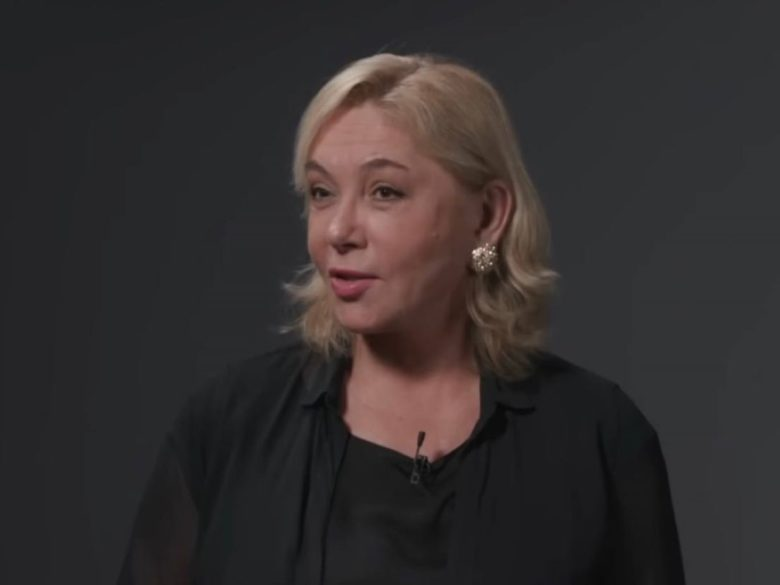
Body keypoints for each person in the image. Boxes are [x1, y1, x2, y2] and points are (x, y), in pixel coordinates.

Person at [117, 52, 686, 584]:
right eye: (321, 192)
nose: (338, 230)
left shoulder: (599, 437)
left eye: (384, 192)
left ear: (487, 216)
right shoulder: (227, 424)